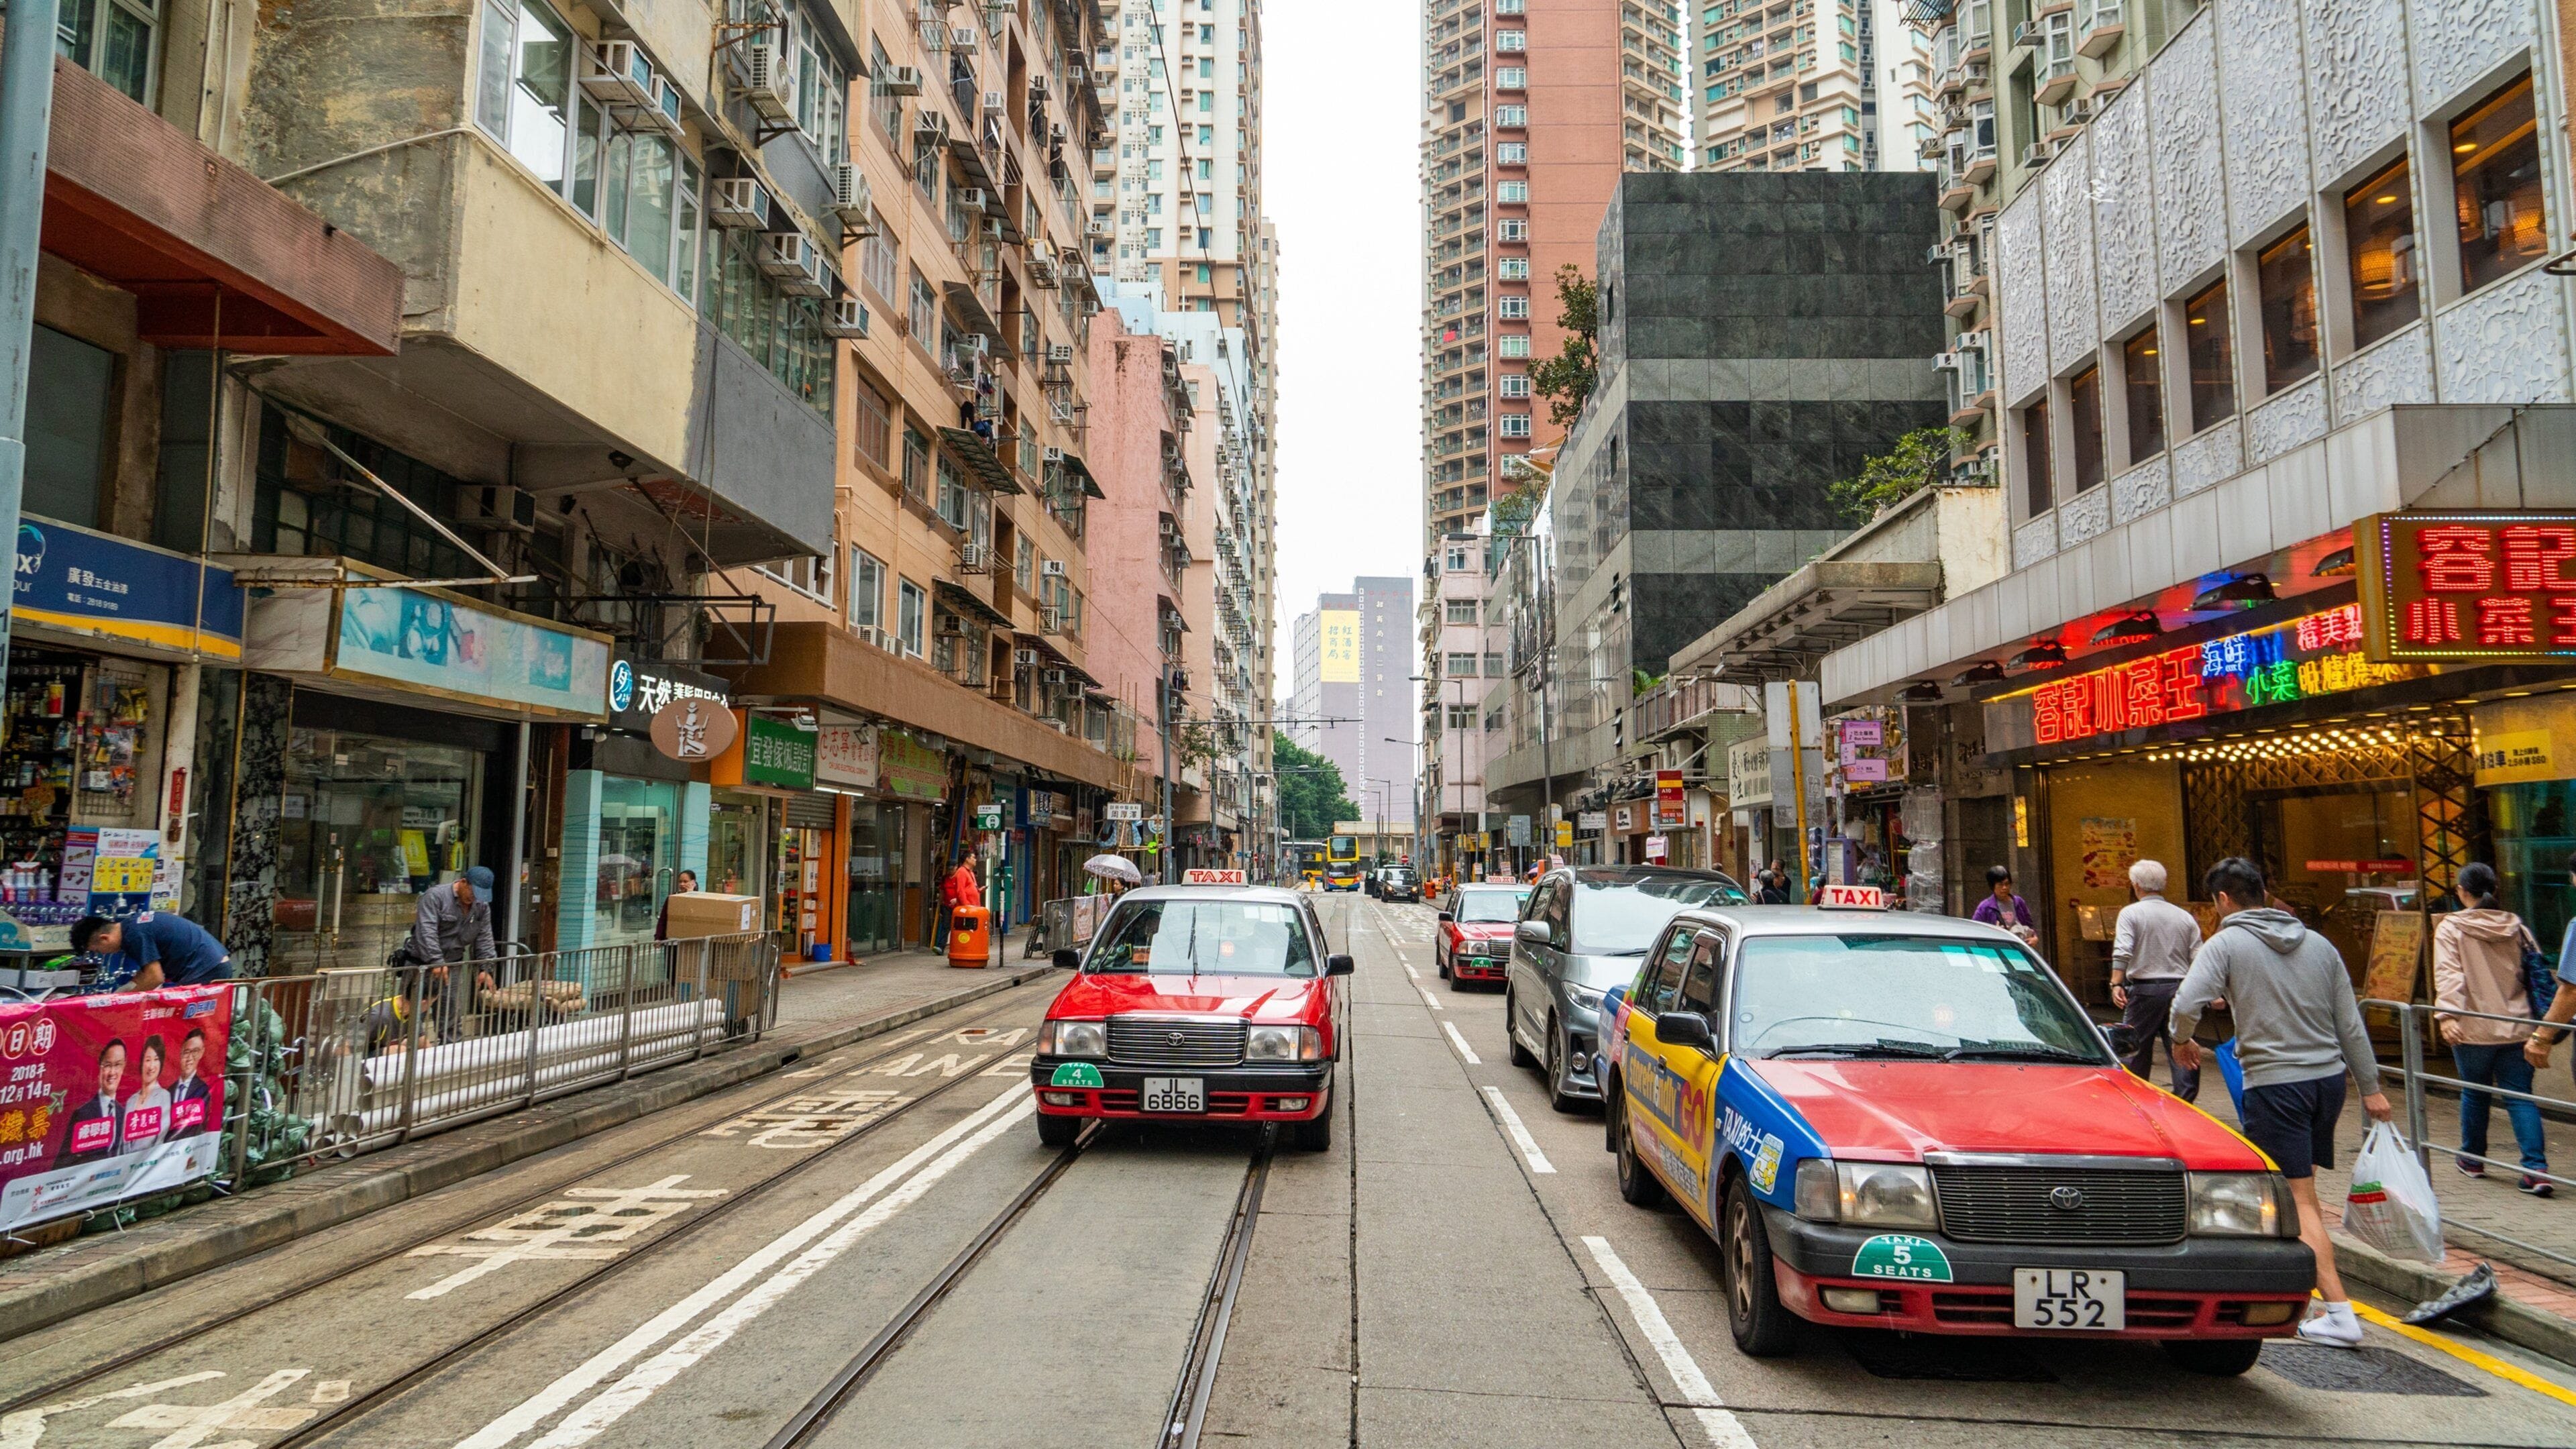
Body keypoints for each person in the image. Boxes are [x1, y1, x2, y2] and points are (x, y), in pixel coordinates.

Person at [2170, 856, 2392, 1349]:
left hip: (2277, 1085)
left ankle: (2338, 1311)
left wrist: (2181, 1039)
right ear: (2264, 892)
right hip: (2328, 1083)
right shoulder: (2319, 944)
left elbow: (2186, 1003)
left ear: (2223, 900)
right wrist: (2371, 1086)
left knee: (2299, 1199)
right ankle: (2311, 1299)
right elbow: (2349, 1024)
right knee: (2301, 1192)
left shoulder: (2226, 941)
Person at [2434, 862, 2551, 1195]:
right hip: (2518, 1026)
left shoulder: (2451, 927)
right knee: (2520, 1097)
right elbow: (2535, 973)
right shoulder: (2516, 926)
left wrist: (2448, 1017)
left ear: (2462, 892)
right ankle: (2536, 1169)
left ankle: (2472, 1159)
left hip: (2472, 1028)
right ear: (2494, 890)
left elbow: (2449, 974)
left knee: (2475, 1091)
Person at [2110, 859, 2201, 1101]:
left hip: (2145, 989)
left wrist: (2116, 982)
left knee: (2134, 1049)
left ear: (2136, 885)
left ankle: (2134, 1097)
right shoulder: (2184, 917)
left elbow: (2123, 950)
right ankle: (2185, 1100)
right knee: (2181, 1042)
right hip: (2181, 988)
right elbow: (2198, 956)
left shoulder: (2130, 913)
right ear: (2163, 884)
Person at [408, 867, 498, 1038]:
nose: (475, 898)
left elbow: (485, 937)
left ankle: (449, 1059)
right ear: (463, 883)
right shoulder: (435, 896)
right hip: (421, 965)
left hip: (453, 966)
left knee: (451, 1019)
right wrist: (436, 961)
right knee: (412, 1018)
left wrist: (485, 969)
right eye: (473, 892)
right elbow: (426, 931)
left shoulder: (481, 906)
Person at [72, 912, 233, 991]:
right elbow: (145, 973)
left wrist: (125, 1000)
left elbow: (155, 977)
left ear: (104, 938)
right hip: (214, 964)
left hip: (205, 969)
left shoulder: (134, 935)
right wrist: (128, 988)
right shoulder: (133, 925)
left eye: (97, 950)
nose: (103, 954)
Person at [58, 1038, 129, 1166]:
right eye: (107, 1065)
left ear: (123, 1067)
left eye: (118, 1065)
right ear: (100, 1068)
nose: (112, 1072)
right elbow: (63, 1162)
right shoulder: (82, 1114)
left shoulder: (124, 1115)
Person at [122, 1034, 172, 1153]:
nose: (151, 1066)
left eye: (156, 1060)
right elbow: (124, 1141)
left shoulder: (164, 1096)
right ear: (142, 1063)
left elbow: (161, 1136)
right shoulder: (131, 1100)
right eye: (148, 1060)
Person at [167, 1027, 216, 1138]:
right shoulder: (168, 1091)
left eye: (195, 1052)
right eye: (187, 1052)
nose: (190, 1058)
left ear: (201, 1053)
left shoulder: (204, 1090)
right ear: (181, 1054)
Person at [1970, 865, 2038, 944]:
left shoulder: (2019, 902)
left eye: (2007, 884)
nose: (2005, 888)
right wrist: (1994, 932)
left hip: (2020, 947)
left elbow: (2029, 924)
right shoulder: (1985, 907)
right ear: (1993, 886)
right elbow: (1975, 930)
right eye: (2000, 885)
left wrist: (2035, 938)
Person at [654, 869, 700, 941]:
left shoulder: (699, 899)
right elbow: (663, 919)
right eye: (680, 882)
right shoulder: (672, 898)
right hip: (672, 940)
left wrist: (690, 894)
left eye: (685, 882)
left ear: (693, 883)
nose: (682, 884)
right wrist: (658, 937)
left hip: (690, 941)